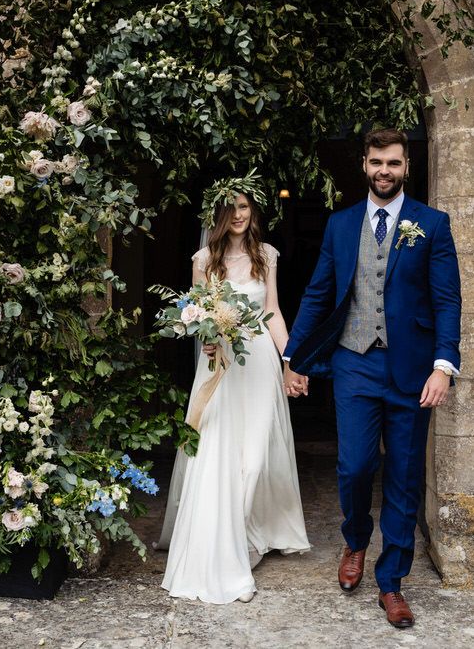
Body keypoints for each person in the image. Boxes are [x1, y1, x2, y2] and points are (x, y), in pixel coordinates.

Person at [283, 128, 461, 628]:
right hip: (354, 362)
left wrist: (444, 366)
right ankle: (356, 538)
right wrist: (293, 357)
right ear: (364, 164)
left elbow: (448, 299)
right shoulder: (340, 226)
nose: (385, 171)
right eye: (377, 162)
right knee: (356, 467)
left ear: (407, 167)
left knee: (404, 478)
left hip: (411, 368)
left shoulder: (432, 224)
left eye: (395, 163)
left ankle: (392, 582)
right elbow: (319, 294)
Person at [160, 189, 311, 605]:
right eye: (232, 208)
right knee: (221, 452)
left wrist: (291, 360)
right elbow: (195, 316)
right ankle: (228, 543)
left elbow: (274, 312)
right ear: (218, 215)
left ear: (253, 211)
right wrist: (205, 340)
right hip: (222, 367)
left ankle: (248, 528)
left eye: (245, 207)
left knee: (258, 452)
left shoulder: (267, 254)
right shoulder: (203, 261)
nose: (239, 215)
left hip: (260, 360)